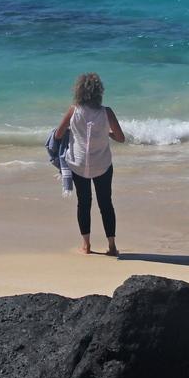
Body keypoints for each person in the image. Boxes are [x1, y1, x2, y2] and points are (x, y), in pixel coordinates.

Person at [53, 72, 125, 256]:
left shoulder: (73, 111)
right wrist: (106, 134)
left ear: (79, 91)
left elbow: (58, 135)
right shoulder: (106, 112)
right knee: (106, 203)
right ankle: (112, 246)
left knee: (83, 204)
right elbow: (120, 138)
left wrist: (73, 131)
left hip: (78, 164)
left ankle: (86, 246)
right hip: (102, 164)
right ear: (99, 92)